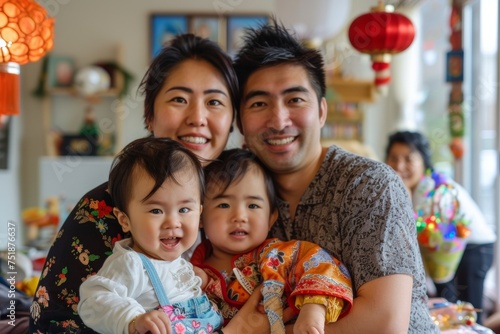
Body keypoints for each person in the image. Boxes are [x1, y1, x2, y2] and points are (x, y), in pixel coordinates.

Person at [29, 33, 248, 333]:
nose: (198, 117)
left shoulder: (238, 195)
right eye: (179, 99)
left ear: (232, 119)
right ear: (149, 114)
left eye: (214, 101)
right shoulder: (103, 209)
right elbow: (56, 322)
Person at [232, 20, 439, 333]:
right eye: (259, 103)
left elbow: (384, 323)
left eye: (295, 100)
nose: (278, 120)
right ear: (240, 122)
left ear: (322, 111)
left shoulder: (369, 185)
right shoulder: (237, 192)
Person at [191, 148, 353, 334]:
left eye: (253, 205)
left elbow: (323, 266)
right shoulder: (186, 274)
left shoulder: (277, 255)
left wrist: (313, 310)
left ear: (271, 218)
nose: (240, 216)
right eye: (224, 205)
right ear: (200, 215)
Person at [78, 137, 223, 334]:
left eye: (184, 209)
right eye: (156, 211)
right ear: (125, 220)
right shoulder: (131, 263)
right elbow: (92, 300)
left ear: (199, 212)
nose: (173, 222)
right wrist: (133, 319)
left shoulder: (183, 261)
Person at [385, 130, 496, 324]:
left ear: (424, 162)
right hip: (444, 252)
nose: (400, 166)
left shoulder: (432, 190)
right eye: (393, 158)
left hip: (473, 248)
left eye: (408, 159)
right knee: (450, 310)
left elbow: (429, 234)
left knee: (468, 312)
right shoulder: (412, 189)